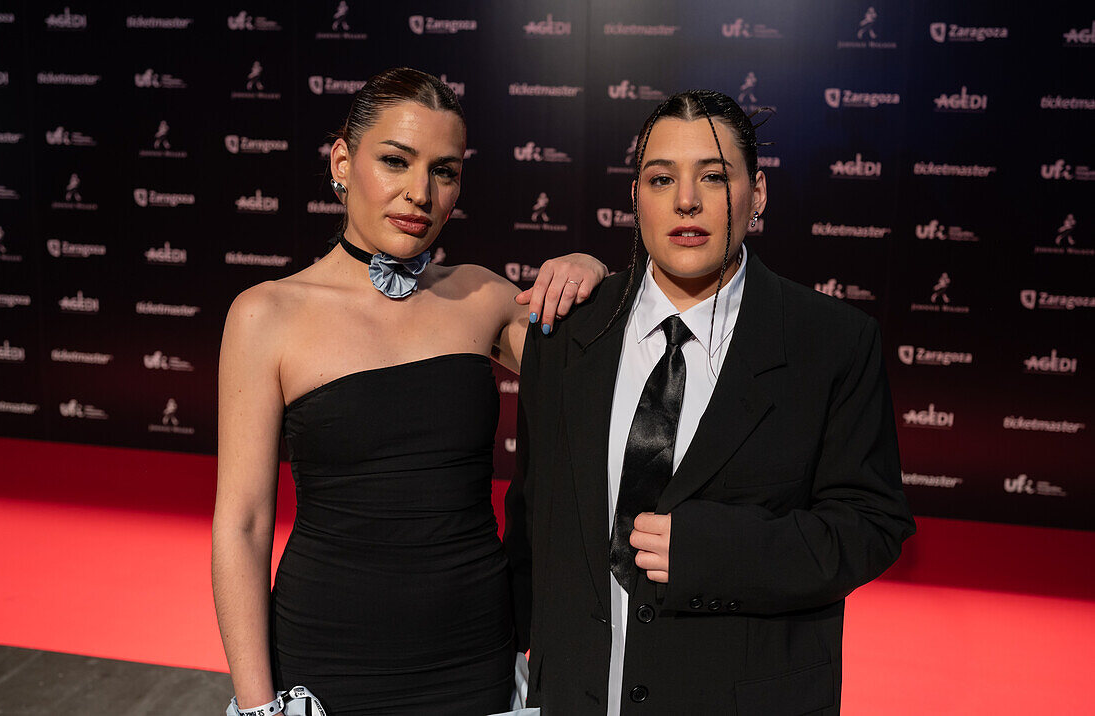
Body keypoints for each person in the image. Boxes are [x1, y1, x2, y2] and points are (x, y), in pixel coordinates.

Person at [505, 90, 916, 714]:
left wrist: (713, 550)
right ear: (635, 197)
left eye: (714, 176)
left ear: (758, 194)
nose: (686, 201)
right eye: (661, 177)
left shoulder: (830, 342)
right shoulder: (568, 333)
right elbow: (532, 525)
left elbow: (872, 527)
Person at [211, 67, 606, 716]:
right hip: (329, 656)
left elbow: (605, 368)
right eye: (396, 161)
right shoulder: (266, 314)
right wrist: (258, 706)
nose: (419, 192)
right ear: (342, 161)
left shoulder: (481, 294)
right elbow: (244, 523)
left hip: (474, 652)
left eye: (444, 171)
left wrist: (591, 274)